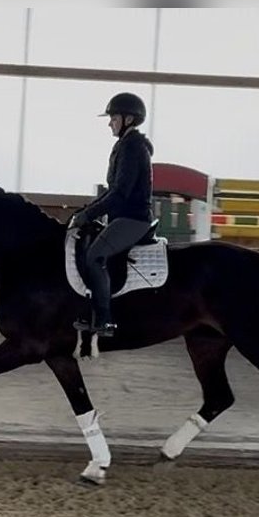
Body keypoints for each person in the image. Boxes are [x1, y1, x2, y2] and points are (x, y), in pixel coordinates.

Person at [71, 92, 155, 337]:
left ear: (128, 119)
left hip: (133, 219)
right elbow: (112, 191)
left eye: (114, 118)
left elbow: (120, 193)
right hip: (122, 216)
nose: (110, 123)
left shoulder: (132, 147)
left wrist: (88, 215)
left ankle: (104, 319)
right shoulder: (125, 145)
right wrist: (87, 211)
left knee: (94, 256)